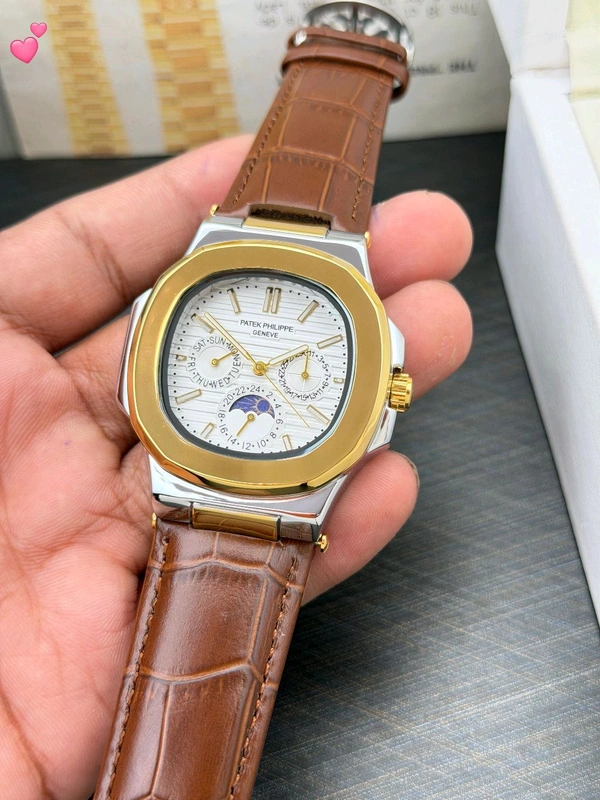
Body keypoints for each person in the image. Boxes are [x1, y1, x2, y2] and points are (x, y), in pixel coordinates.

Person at [0, 135, 473, 799]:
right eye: (245, 359)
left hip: (270, 497)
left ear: (386, 385)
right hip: (190, 477)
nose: (256, 368)